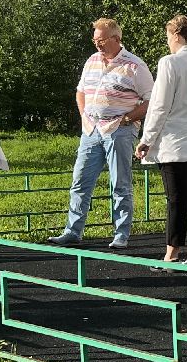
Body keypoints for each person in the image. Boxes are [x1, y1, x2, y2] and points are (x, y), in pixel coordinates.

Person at [46, 18, 153, 249]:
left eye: (101, 40)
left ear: (116, 39)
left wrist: (128, 118)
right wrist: (84, 115)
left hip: (119, 131)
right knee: (80, 181)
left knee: (120, 184)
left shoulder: (135, 65)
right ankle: (72, 231)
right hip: (91, 129)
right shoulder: (92, 60)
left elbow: (151, 100)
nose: (97, 44)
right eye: (94, 40)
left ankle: (121, 234)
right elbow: (81, 91)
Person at [137, 15, 187, 265]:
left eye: (167, 37)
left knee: (176, 199)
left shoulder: (169, 63)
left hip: (174, 143)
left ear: (175, 35)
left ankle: (171, 254)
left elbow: (160, 106)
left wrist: (146, 139)